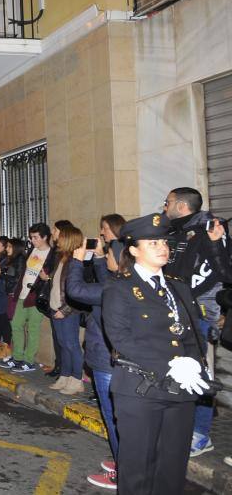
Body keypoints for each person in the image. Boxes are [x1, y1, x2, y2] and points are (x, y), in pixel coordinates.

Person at [103, 212, 213, 495]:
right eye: (152, 243)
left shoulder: (177, 286)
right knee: (138, 468)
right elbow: (120, 338)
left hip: (181, 390)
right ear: (133, 250)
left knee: (173, 467)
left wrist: (197, 366)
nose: (162, 247)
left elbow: (191, 334)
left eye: (163, 242)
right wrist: (171, 364)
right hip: (141, 390)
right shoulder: (120, 288)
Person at [162, 187, 232, 457]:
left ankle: (201, 434)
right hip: (177, 311)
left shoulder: (209, 230)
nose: (164, 206)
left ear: (181, 206)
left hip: (199, 315)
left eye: (168, 202)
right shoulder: (176, 231)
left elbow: (220, 272)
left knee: (199, 374)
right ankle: (183, 427)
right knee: (179, 372)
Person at [68, 235, 118, 490]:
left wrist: (76, 262)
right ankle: (125, 462)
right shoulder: (124, 281)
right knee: (120, 418)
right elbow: (105, 277)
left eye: (109, 254)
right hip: (115, 359)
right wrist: (98, 257)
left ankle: (124, 470)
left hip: (107, 359)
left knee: (114, 418)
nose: (104, 256)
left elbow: (75, 290)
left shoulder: (112, 288)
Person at [1, 223, 55, 373]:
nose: (33, 240)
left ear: (45, 237)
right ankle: (17, 357)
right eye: (31, 237)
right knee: (16, 324)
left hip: (36, 296)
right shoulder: (31, 250)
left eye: (36, 237)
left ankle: (29, 360)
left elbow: (52, 276)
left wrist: (47, 278)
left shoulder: (51, 254)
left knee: (33, 329)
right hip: (22, 294)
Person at [47, 226, 86, 395]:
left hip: (68, 311)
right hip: (55, 307)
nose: (56, 239)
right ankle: (65, 375)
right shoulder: (60, 258)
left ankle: (77, 379)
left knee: (72, 344)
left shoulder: (75, 262)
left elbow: (78, 291)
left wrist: (65, 309)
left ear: (68, 239)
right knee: (63, 344)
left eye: (60, 236)